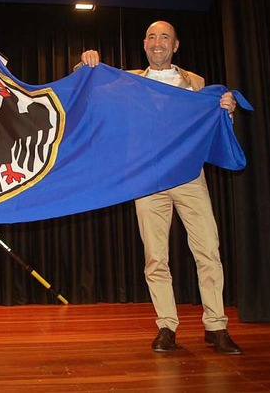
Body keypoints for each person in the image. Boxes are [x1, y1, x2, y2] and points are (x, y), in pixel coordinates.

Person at [79, 20, 242, 355]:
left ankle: (216, 326)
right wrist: (85, 63)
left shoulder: (195, 83)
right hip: (147, 179)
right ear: (144, 44)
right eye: (152, 37)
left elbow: (210, 127)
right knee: (155, 258)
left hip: (189, 177)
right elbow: (89, 88)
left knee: (208, 250)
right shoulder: (129, 81)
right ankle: (167, 326)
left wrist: (227, 111)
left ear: (175, 45)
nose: (158, 42)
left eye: (164, 37)